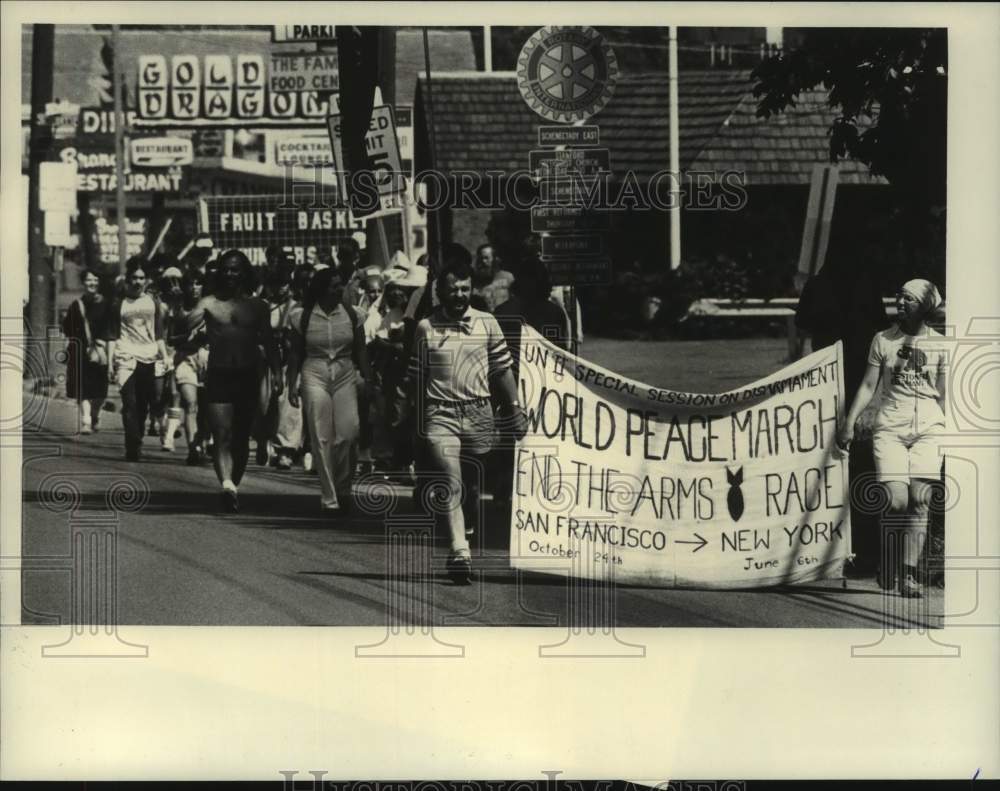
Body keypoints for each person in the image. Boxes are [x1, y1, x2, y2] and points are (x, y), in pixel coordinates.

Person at [396, 245, 526, 584]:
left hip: (480, 413)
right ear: (440, 292)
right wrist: (406, 411)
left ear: (471, 290)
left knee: (469, 485)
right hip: (441, 414)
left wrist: (514, 408)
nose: (459, 295)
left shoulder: (487, 324)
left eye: (465, 289)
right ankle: (459, 552)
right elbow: (415, 375)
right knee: (450, 477)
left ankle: (464, 526)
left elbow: (502, 370)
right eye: (453, 289)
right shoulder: (426, 328)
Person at [837, 278, 947, 598]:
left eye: (908, 299)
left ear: (924, 307)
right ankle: (888, 558)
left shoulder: (941, 344)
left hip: (929, 427)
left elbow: (944, 395)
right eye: (899, 297)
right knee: (896, 501)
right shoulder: (882, 340)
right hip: (891, 427)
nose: (900, 303)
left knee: (920, 501)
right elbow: (869, 386)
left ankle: (909, 575)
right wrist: (849, 421)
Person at [186, 250, 282, 513]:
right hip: (219, 374)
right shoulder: (208, 303)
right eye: (225, 269)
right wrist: (189, 318)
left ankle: (233, 485)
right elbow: (184, 325)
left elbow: (270, 343)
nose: (230, 274)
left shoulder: (258, 306)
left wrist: (278, 374)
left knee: (240, 438)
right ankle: (227, 484)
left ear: (244, 273)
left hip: (247, 375)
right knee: (222, 435)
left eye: (235, 269)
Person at [286, 264, 371, 513]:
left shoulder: (353, 315)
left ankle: (344, 487)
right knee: (320, 434)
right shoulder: (302, 316)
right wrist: (292, 384)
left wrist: (369, 378)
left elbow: (362, 349)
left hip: (344, 371)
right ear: (322, 289)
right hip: (314, 371)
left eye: (340, 285)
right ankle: (329, 497)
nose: (340, 290)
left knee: (348, 432)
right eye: (335, 286)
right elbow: (295, 353)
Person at [106, 260, 169, 461]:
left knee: (143, 405)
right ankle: (132, 445)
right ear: (128, 280)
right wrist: (109, 363)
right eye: (134, 278)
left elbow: (159, 333)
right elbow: (112, 335)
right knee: (130, 403)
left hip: (149, 357)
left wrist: (165, 356)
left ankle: (137, 438)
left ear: (146, 280)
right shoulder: (118, 303)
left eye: (141, 278)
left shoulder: (153, 303)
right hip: (125, 357)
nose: (137, 282)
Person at [169, 269, 210, 465]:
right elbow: (170, 338)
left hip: (208, 359)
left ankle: (201, 442)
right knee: (190, 403)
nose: (194, 287)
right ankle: (193, 449)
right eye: (191, 283)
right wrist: (189, 337)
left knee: (207, 409)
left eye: (198, 283)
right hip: (185, 359)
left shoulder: (212, 307)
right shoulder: (179, 311)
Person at [62, 268, 110, 434]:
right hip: (80, 352)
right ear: (83, 283)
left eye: (95, 280)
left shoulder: (106, 304)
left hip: (102, 350)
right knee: (84, 388)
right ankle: (86, 420)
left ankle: (95, 414)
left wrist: (103, 341)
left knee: (101, 390)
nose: (92, 283)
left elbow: (112, 328)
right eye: (89, 280)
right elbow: (68, 329)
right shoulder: (76, 306)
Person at [471, 243, 515, 313]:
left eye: (486, 258)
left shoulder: (508, 277)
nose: (483, 261)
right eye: (481, 258)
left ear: (494, 259)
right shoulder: (474, 283)